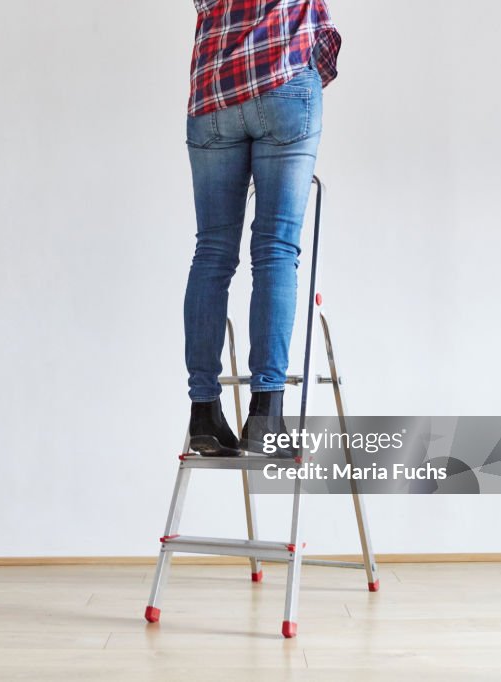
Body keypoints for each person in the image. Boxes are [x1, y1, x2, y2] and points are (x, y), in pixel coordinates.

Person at [183, 0, 341, 458]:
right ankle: (266, 415)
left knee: (211, 253)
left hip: (213, 92)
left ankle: (204, 414)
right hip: (284, 77)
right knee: (275, 250)